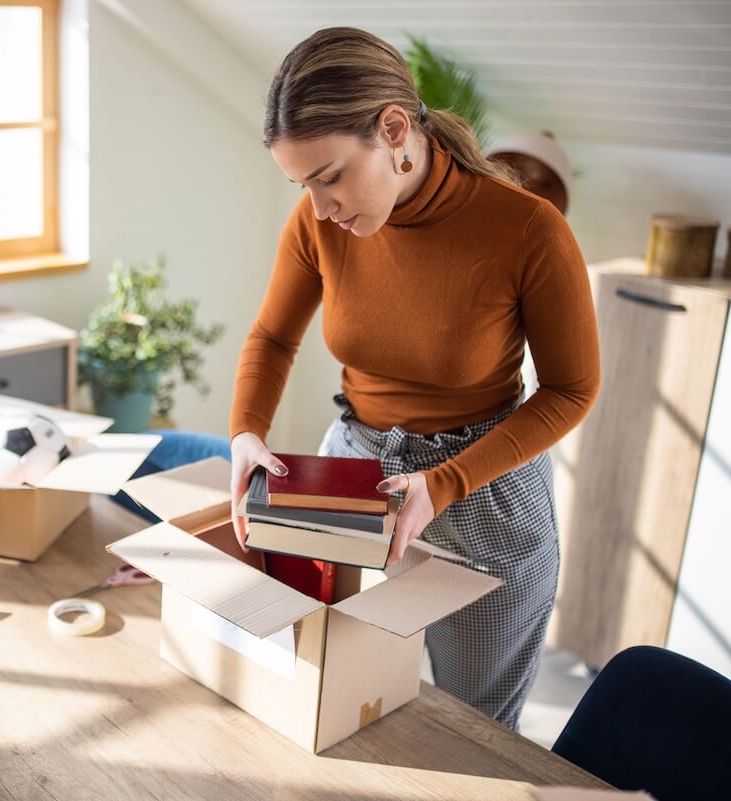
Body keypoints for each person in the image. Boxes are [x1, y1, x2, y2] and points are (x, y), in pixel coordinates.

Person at [227, 27, 600, 731]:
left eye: (330, 176)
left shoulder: (528, 229)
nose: (319, 208)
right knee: (331, 696)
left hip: (483, 488)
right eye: (301, 184)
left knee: (474, 728)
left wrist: (445, 482)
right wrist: (246, 432)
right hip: (355, 478)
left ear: (393, 129)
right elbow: (273, 336)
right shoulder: (319, 225)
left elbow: (571, 389)